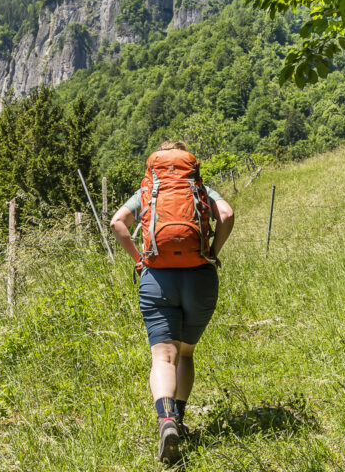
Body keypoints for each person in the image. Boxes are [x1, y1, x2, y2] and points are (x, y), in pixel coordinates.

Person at [109, 140, 235, 463]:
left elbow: (116, 223)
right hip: (199, 278)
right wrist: (212, 253)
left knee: (163, 357)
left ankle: (166, 422)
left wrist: (140, 259)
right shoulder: (197, 187)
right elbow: (227, 214)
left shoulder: (149, 191)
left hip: (157, 280)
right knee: (186, 354)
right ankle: (179, 417)